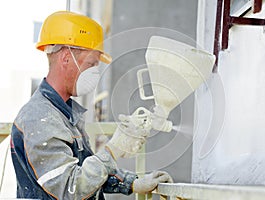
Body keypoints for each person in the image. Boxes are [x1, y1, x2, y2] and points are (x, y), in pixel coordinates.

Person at [10, 11, 172, 199]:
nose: (95, 72)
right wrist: (114, 148)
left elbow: (86, 173)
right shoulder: (40, 117)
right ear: (66, 58)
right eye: (91, 63)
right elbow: (70, 188)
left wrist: (133, 183)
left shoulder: (64, 114)